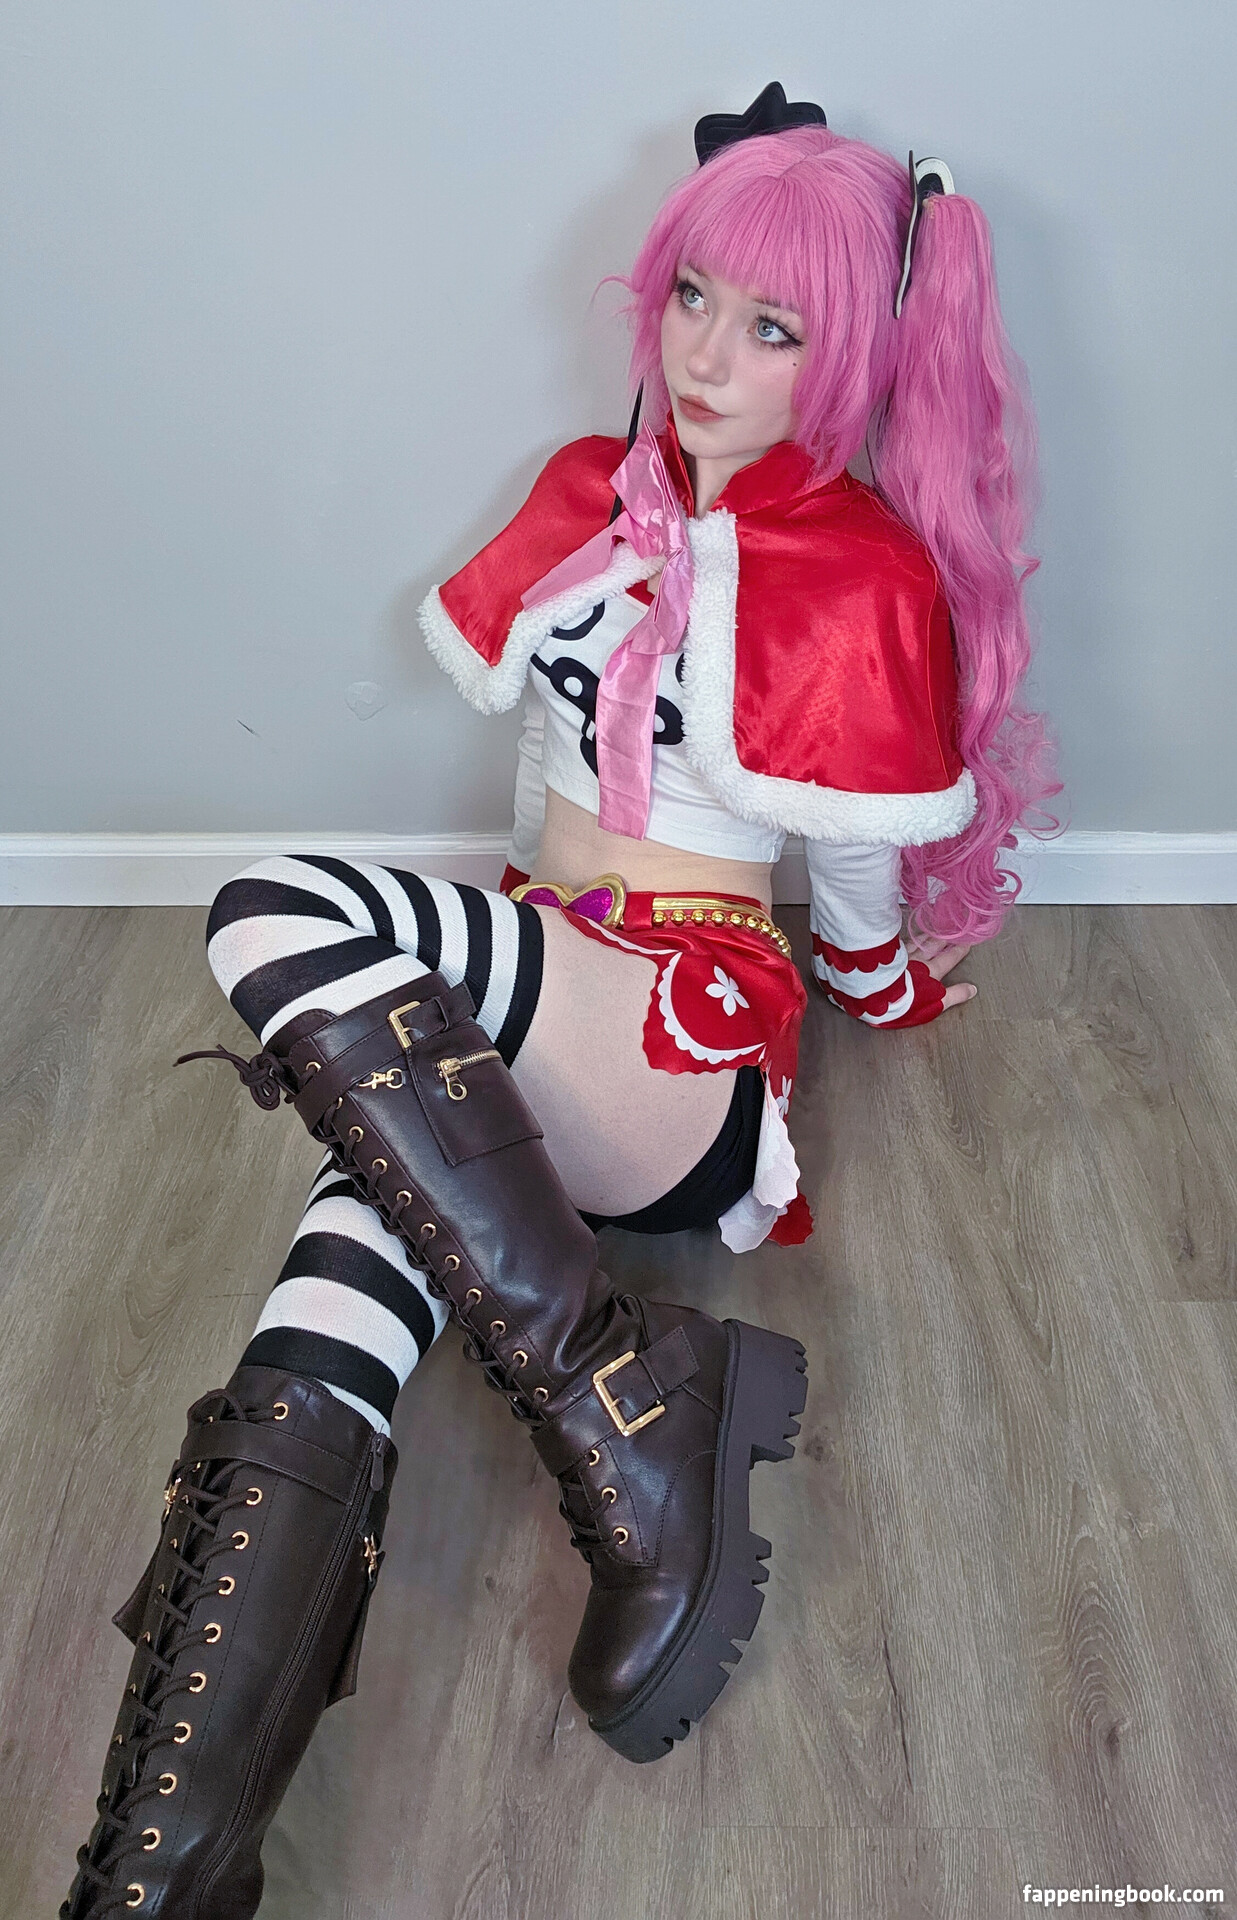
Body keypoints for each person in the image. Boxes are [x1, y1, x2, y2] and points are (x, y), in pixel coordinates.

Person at [63, 85, 1058, 1918]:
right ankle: (162, 1869)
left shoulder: (861, 578)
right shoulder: (590, 497)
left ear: (857, 357)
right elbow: (542, 755)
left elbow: (853, 873)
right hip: (536, 994)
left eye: (775, 329)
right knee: (328, 1302)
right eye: (692, 299)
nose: (707, 357)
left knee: (277, 908)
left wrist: (883, 988)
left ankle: (616, 1399)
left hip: (679, 1038)